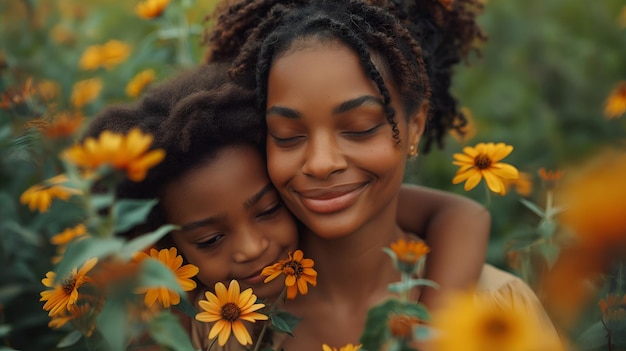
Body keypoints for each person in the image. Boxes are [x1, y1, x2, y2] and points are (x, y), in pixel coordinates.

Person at [203, 0, 559, 349]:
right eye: (287, 136)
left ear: (415, 126)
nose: (321, 163)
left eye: (359, 128)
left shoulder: (497, 310)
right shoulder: (225, 321)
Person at [84, 62, 490, 350]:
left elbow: (463, 214)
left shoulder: (326, 197)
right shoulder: (190, 329)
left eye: (266, 211)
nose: (252, 248)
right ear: (167, 248)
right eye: (209, 240)